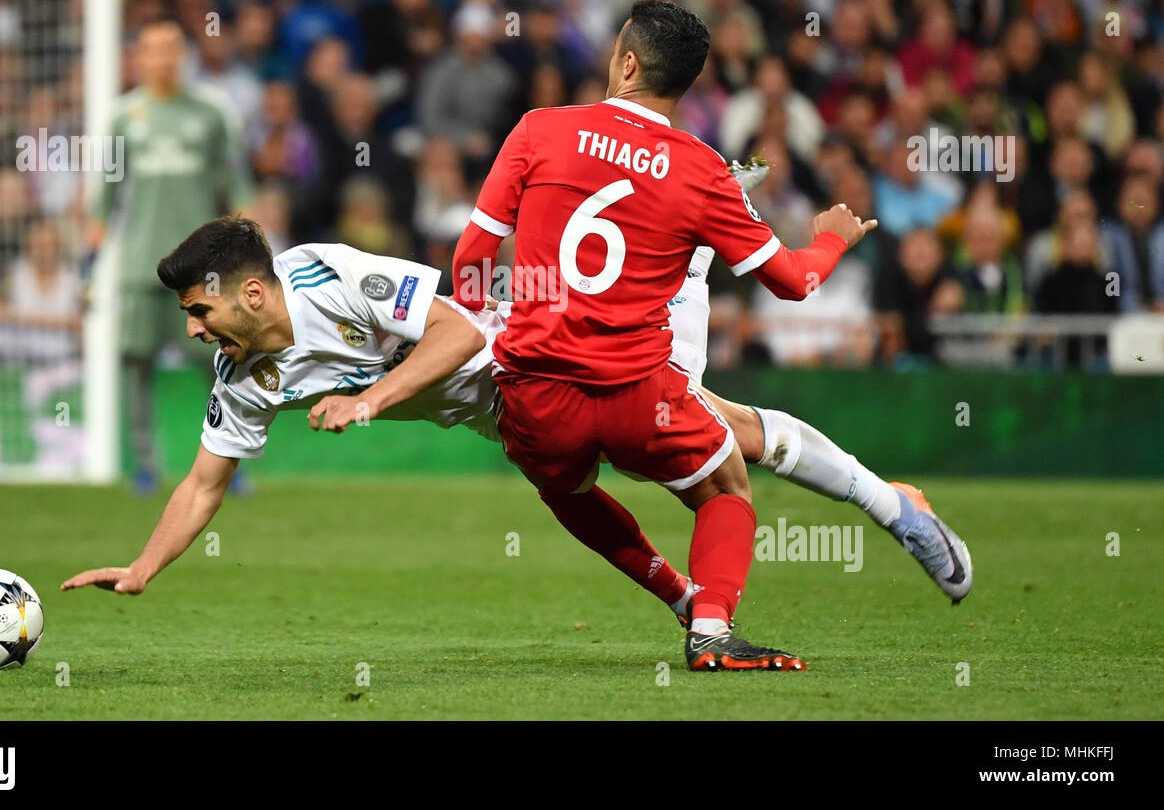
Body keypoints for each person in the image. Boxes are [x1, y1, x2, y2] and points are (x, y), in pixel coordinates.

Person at [60, 218, 971, 641]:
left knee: (716, 433)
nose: (191, 329)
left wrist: (373, 400)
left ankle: (889, 504)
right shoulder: (242, 369)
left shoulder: (332, 279)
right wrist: (144, 568)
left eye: (197, 309)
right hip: (513, 416)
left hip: (545, 349)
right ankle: (699, 600)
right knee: (578, 491)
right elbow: (203, 480)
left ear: (251, 291)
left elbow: (458, 326)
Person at [449, 0, 972, 671]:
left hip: (538, 390)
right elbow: (792, 282)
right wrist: (832, 242)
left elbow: (470, 260)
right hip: (640, 391)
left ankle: (879, 515)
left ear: (628, 62)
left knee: (567, 488)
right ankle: (716, 625)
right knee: (728, 481)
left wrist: (495, 324)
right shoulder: (702, 169)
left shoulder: (539, 130)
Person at [89, 17, 253, 494]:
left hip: (203, 272)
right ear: (138, 58)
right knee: (137, 362)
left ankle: (227, 463)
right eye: (151, 49)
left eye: (170, 48)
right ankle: (144, 465)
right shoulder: (123, 117)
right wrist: (89, 259)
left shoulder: (210, 113)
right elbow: (105, 197)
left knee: (219, 363)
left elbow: (235, 186)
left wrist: (252, 254)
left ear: (182, 55)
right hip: (141, 265)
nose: (161, 58)